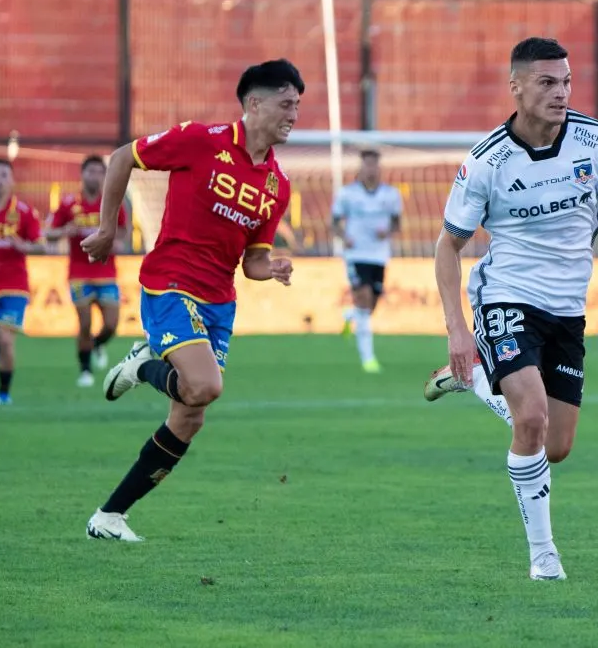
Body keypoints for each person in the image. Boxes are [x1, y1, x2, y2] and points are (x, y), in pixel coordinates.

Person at [424, 37, 598, 581]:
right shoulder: (486, 163)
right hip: (506, 298)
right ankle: (544, 557)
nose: (561, 92)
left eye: (566, 81)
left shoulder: (596, 142)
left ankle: (478, 381)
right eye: (547, 82)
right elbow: (447, 247)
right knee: (530, 419)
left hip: (567, 310)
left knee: (555, 445)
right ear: (516, 87)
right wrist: (457, 329)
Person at [80, 59, 302, 541]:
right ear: (254, 103)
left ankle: (110, 515)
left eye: (298, 106)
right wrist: (106, 229)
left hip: (220, 299)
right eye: (286, 104)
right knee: (206, 385)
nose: (294, 114)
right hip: (170, 281)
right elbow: (123, 158)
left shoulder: (276, 185)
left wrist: (274, 267)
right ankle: (143, 366)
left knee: (190, 413)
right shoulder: (203, 140)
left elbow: (253, 261)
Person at [45, 155, 129, 387]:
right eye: (89, 171)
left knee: (112, 324)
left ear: (104, 175)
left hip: (106, 271)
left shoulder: (112, 201)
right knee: (84, 323)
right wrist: (67, 230)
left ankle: (98, 344)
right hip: (79, 273)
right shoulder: (68, 203)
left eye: (98, 172)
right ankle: (85, 370)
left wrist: (117, 242)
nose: (94, 176)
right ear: (82, 175)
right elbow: (49, 232)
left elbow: (123, 231)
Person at [0, 159, 41, 405]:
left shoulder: (23, 211)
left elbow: (40, 244)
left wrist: (23, 246)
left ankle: (3, 393)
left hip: (14, 286)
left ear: (11, 180)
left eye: (4, 175)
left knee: (5, 339)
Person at [331, 149, 402, 373]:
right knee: (363, 297)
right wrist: (344, 238)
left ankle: (350, 316)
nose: (370, 169)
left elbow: (397, 223)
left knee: (370, 304)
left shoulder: (391, 195)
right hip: (356, 255)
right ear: (360, 168)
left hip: (379, 255)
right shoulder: (347, 194)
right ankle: (368, 359)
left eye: (374, 164)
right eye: (367, 164)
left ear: (379, 168)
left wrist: (387, 233)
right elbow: (333, 222)